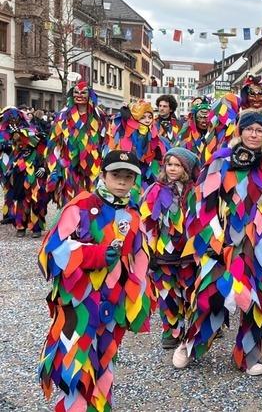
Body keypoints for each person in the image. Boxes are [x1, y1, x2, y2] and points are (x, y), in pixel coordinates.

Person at [173, 108, 262, 376]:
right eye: (249, 129)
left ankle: (247, 356)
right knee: (209, 294)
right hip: (221, 240)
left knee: (255, 299)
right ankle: (189, 345)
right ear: (240, 131)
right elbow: (202, 203)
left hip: (256, 245)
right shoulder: (220, 161)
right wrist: (212, 237)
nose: (253, 134)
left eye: (259, 130)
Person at [38, 150, 154, 411]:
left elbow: (139, 258)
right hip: (79, 301)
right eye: (116, 175)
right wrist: (94, 254)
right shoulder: (80, 205)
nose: (122, 181)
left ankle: (100, 406)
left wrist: (138, 298)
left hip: (113, 301)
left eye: (128, 176)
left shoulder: (133, 214)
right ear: (103, 175)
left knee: (105, 357)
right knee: (75, 360)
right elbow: (50, 252)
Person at [141, 147, 199, 349]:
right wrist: (149, 251)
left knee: (190, 291)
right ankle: (171, 330)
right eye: (169, 164)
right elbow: (147, 223)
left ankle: (191, 328)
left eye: (178, 165)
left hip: (189, 254)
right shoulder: (155, 191)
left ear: (187, 168)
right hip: (164, 254)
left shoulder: (196, 192)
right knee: (168, 293)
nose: (172, 169)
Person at [45, 81, 107, 207]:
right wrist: (55, 166)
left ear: (89, 94)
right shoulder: (63, 116)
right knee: (70, 200)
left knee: (91, 200)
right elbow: (54, 142)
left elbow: (105, 141)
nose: (79, 95)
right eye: (76, 92)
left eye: (83, 92)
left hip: (92, 166)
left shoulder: (99, 116)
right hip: (69, 165)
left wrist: (104, 164)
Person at [104, 100, 170, 203]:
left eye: (150, 117)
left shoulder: (157, 140)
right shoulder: (121, 138)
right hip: (124, 181)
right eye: (142, 117)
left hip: (146, 180)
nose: (147, 121)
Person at [2, 108, 48, 237]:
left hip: (35, 173)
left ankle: (36, 228)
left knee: (36, 199)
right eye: (9, 118)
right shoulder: (14, 145)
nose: (12, 120)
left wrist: (43, 168)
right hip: (20, 172)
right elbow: (12, 156)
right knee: (21, 199)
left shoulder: (36, 141)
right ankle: (20, 226)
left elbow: (46, 154)